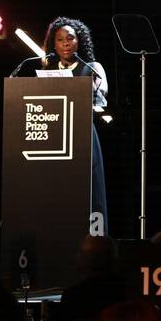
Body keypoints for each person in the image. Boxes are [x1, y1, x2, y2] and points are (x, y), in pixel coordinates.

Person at [40, 17, 110, 232]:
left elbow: (102, 99)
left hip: (82, 135)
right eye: (60, 40)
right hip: (55, 136)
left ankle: (95, 239)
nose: (65, 43)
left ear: (79, 41)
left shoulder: (92, 67)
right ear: (54, 44)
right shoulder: (48, 68)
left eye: (70, 38)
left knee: (89, 189)